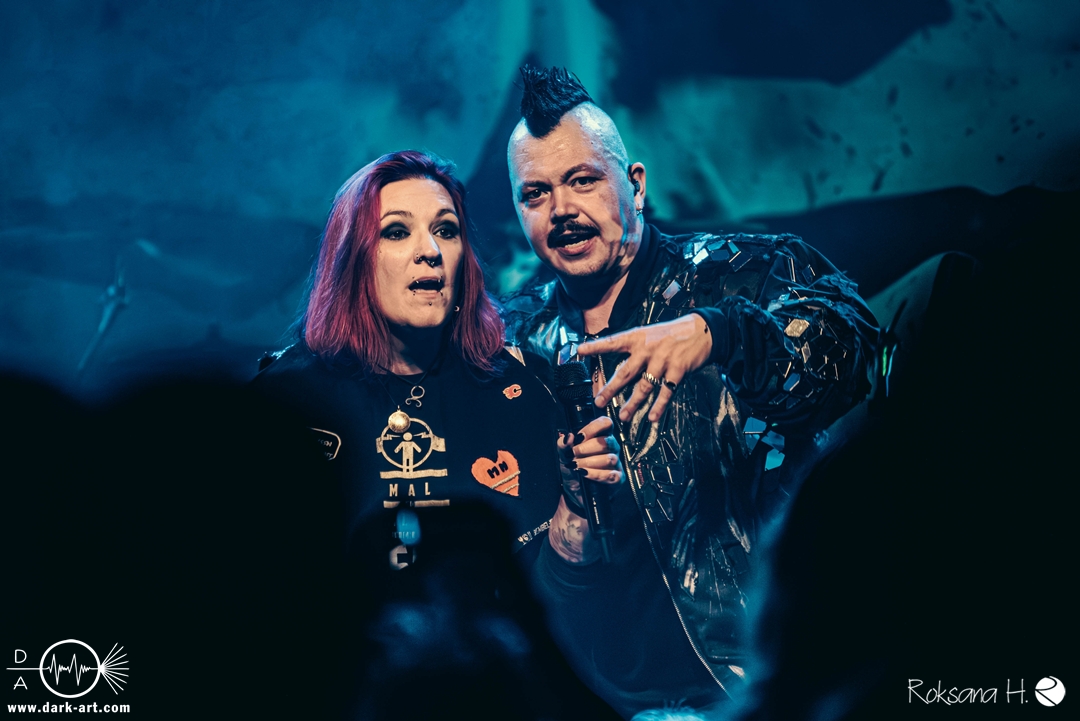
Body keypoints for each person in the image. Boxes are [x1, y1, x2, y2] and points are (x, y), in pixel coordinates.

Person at [500, 67, 880, 718]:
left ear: (635, 185)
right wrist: (570, 519)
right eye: (536, 193)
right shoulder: (516, 342)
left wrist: (722, 333)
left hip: (757, 687)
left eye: (583, 180)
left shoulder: (747, 270)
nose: (561, 209)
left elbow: (853, 355)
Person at [251, 150, 625, 717]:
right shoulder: (285, 402)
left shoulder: (527, 391)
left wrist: (576, 511)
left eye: (446, 230)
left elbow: (566, 615)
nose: (429, 250)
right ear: (353, 257)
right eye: (397, 232)